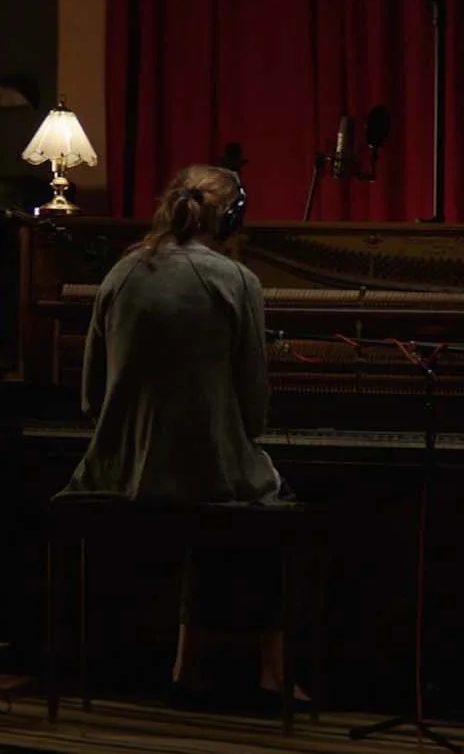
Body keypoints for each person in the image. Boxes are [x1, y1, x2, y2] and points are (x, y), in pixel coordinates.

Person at [61, 164, 306, 711]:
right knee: (266, 504)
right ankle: (273, 671)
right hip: (204, 474)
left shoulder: (120, 274)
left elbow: (90, 399)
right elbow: (254, 408)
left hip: (117, 470)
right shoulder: (237, 280)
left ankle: (185, 666)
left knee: (207, 506)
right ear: (231, 218)